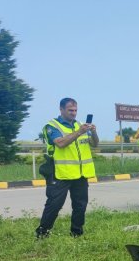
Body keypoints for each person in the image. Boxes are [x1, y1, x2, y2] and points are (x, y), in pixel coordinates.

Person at [36, 98, 98, 238]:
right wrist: (79, 132)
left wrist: (93, 132)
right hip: (60, 173)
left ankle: (77, 232)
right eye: (70, 110)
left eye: (75, 110)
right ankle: (43, 232)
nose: (74, 113)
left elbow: (94, 144)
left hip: (80, 174)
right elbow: (61, 143)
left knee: (80, 205)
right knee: (54, 204)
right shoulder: (52, 126)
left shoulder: (81, 125)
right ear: (61, 109)